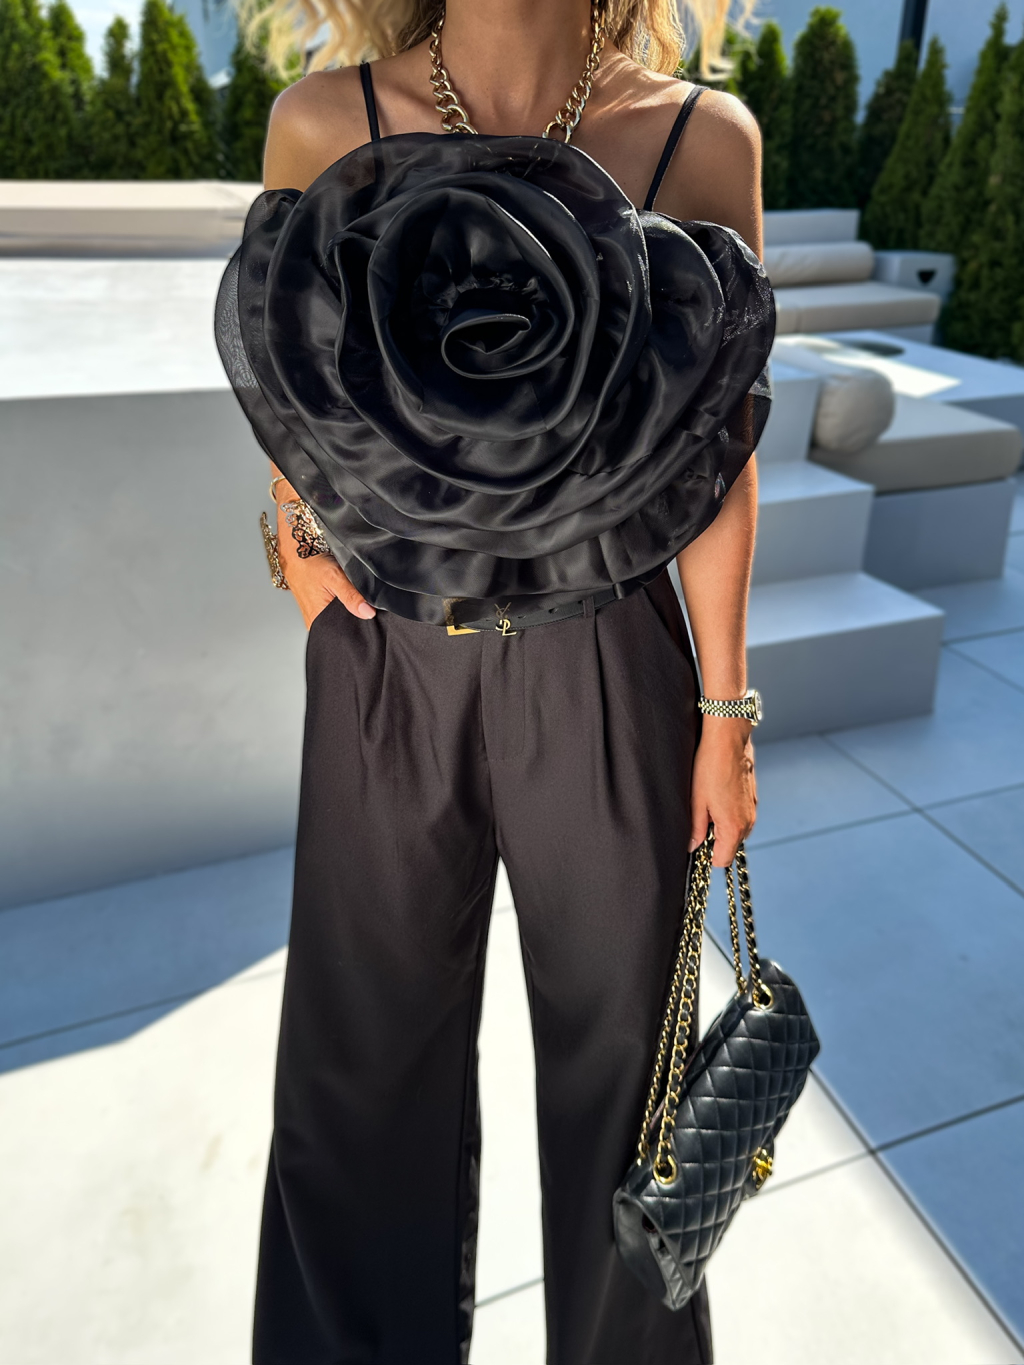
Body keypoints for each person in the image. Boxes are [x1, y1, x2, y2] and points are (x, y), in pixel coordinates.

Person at [218, 1, 770, 1360]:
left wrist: (725, 712)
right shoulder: (323, 121)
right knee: (356, 1076)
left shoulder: (703, 138)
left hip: (611, 660)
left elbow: (720, 446)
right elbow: (293, 376)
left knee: (632, 1095)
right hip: (388, 664)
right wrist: (292, 544)